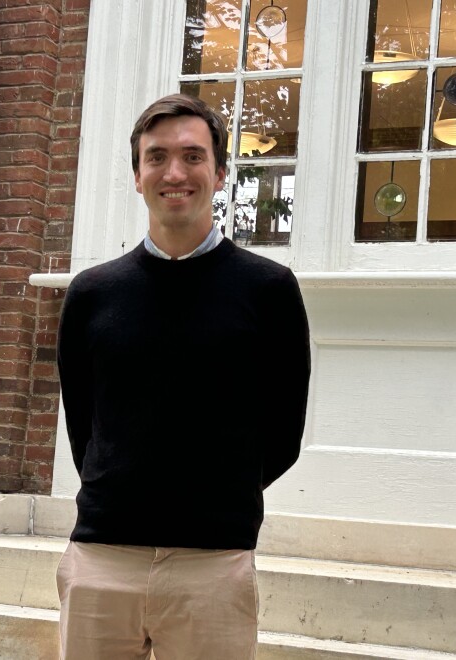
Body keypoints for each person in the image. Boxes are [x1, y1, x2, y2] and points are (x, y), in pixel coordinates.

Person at [55, 93, 311, 660]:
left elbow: (284, 432)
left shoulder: (269, 291)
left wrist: (215, 495)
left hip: (214, 562)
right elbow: (84, 423)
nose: (175, 172)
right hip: (102, 557)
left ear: (220, 174)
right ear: (138, 175)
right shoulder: (92, 295)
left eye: (193, 156)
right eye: (157, 157)